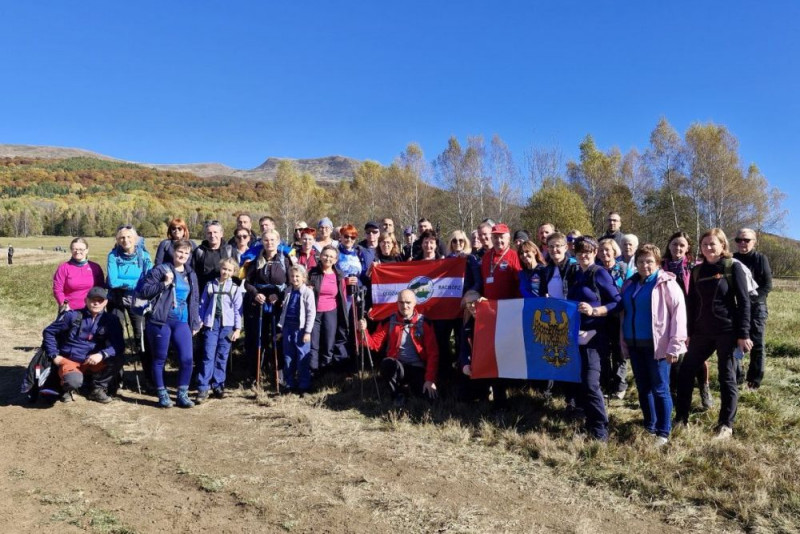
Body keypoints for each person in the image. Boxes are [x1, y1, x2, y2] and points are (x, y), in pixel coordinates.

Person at [674, 228, 752, 440]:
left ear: (722, 245)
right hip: (701, 331)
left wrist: (744, 334)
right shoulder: (698, 271)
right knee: (686, 371)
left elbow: (744, 303)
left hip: (727, 331)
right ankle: (681, 418)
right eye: (704, 244)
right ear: (700, 247)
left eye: (713, 244)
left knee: (727, 377)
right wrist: (688, 331)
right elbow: (692, 303)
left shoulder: (732, 267)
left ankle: (726, 424)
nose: (708, 247)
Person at [620, 244, 687, 447]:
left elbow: (678, 316)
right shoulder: (630, 284)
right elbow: (624, 313)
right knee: (643, 388)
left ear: (658, 263)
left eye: (649, 261)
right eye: (641, 261)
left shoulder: (666, 284)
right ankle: (650, 425)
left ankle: (663, 431)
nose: (644, 265)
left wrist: (675, 345)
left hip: (657, 346)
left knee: (660, 388)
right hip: (634, 343)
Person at [567, 236, 621, 442]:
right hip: (576, 336)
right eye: (580, 251)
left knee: (591, 384)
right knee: (581, 383)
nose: (584, 254)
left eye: (588, 251)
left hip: (596, 337)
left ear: (595, 251)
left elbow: (617, 302)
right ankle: (589, 423)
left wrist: (595, 311)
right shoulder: (574, 273)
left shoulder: (600, 274)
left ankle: (601, 430)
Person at [139, 240, 202, 408]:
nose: (182, 255)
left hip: (182, 322)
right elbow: (144, 291)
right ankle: (162, 394)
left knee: (187, 359)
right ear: (173, 252)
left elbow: (194, 300)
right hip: (160, 321)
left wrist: (195, 322)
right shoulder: (161, 270)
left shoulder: (191, 274)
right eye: (179, 252)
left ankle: (182, 394)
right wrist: (164, 283)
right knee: (160, 359)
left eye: (186, 253)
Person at [42, 287, 125, 403]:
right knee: (74, 381)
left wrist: (102, 354)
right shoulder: (72, 316)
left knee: (118, 358)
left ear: (106, 302)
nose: (96, 303)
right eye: (92, 300)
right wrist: (54, 355)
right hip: (70, 360)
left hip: (93, 360)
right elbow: (49, 332)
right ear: (86, 300)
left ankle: (97, 389)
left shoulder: (112, 320)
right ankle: (67, 388)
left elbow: (119, 344)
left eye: (100, 300)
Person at [359, 289, 439, 407]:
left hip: (418, 367)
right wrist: (363, 331)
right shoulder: (389, 321)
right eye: (401, 302)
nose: (404, 306)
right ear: (397, 303)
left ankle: (413, 387)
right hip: (398, 365)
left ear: (415, 303)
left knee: (428, 399)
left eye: (408, 302)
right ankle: (397, 394)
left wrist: (430, 379)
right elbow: (374, 344)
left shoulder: (424, 322)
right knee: (387, 363)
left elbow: (433, 353)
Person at [662, 231, 712, 409]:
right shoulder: (661, 266)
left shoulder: (694, 266)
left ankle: (704, 388)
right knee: (673, 355)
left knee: (697, 356)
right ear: (669, 245)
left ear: (688, 247)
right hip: (667, 317)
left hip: (692, 316)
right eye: (675, 244)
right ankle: (673, 392)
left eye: (682, 245)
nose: (678, 248)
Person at [107, 224, 153, 389]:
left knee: (141, 338)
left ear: (135, 239)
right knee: (115, 337)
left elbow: (150, 278)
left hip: (139, 300)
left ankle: (149, 377)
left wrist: (125, 282)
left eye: (129, 237)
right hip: (116, 300)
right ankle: (115, 378)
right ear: (117, 240)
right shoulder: (113, 256)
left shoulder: (144, 255)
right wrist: (136, 283)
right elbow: (112, 281)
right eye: (122, 238)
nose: (125, 240)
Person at [244, 230, 293, 381]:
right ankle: (256, 375)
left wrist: (279, 296)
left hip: (278, 305)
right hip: (259, 304)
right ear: (262, 242)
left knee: (278, 338)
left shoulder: (285, 260)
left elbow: (291, 283)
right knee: (259, 338)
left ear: (278, 242)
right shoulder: (255, 259)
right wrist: (255, 293)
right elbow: (247, 282)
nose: (269, 243)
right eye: (266, 240)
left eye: (272, 240)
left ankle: (280, 376)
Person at [196, 257, 243, 402]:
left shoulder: (234, 289)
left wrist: (237, 329)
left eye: (229, 270)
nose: (226, 272)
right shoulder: (210, 285)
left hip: (227, 326)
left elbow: (237, 310)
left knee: (222, 356)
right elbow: (202, 305)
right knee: (208, 355)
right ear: (220, 268)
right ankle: (203, 387)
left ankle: (218, 385)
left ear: (233, 272)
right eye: (224, 269)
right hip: (211, 325)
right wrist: (199, 322)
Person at [733, 228, 772, 390]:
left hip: (757, 308)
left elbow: (767, 285)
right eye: (739, 240)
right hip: (735, 308)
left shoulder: (760, 259)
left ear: (754, 242)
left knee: (757, 345)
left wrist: (749, 301)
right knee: (733, 343)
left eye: (746, 240)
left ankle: (754, 380)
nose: (742, 243)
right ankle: (736, 377)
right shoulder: (732, 259)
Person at [596, 237, 629, 399]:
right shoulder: (596, 269)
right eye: (601, 251)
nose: (604, 253)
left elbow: (630, 288)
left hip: (620, 315)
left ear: (615, 251)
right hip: (601, 315)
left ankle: (620, 384)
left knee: (619, 351)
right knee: (603, 351)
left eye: (607, 250)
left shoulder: (623, 268)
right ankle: (605, 383)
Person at [308, 246, 349, 372]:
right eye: (325, 255)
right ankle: (313, 371)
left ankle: (326, 373)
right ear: (320, 256)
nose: (328, 258)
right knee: (313, 344)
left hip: (331, 312)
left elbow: (342, 295)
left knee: (328, 343)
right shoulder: (312, 273)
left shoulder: (339, 275)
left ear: (336, 260)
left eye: (331, 256)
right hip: (314, 313)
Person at [277, 265, 317, 394]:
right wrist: (281, 329)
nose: (295, 279)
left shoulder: (307, 292)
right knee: (288, 356)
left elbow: (311, 313)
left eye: (297, 276)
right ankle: (289, 383)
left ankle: (304, 385)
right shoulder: (288, 291)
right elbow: (284, 310)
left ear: (304, 278)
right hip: (288, 327)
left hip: (301, 329)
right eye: (292, 276)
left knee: (302, 357)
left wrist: (307, 331)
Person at [53, 237, 105, 311]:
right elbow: (57, 290)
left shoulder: (95, 267)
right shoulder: (63, 268)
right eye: (75, 249)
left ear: (87, 250)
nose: (77, 252)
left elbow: (101, 288)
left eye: (81, 249)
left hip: (92, 309)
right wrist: (65, 306)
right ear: (71, 250)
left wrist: (98, 305)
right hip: (69, 310)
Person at [192, 221, 234, 292]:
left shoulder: (229, 250)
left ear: (221, 234)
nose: (212, 235)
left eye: (215, 232)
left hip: (225, 293)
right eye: (209, 233)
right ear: (206, 235)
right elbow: (193, 273)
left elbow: (236, 273)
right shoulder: (199, 251)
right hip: (204, 293)